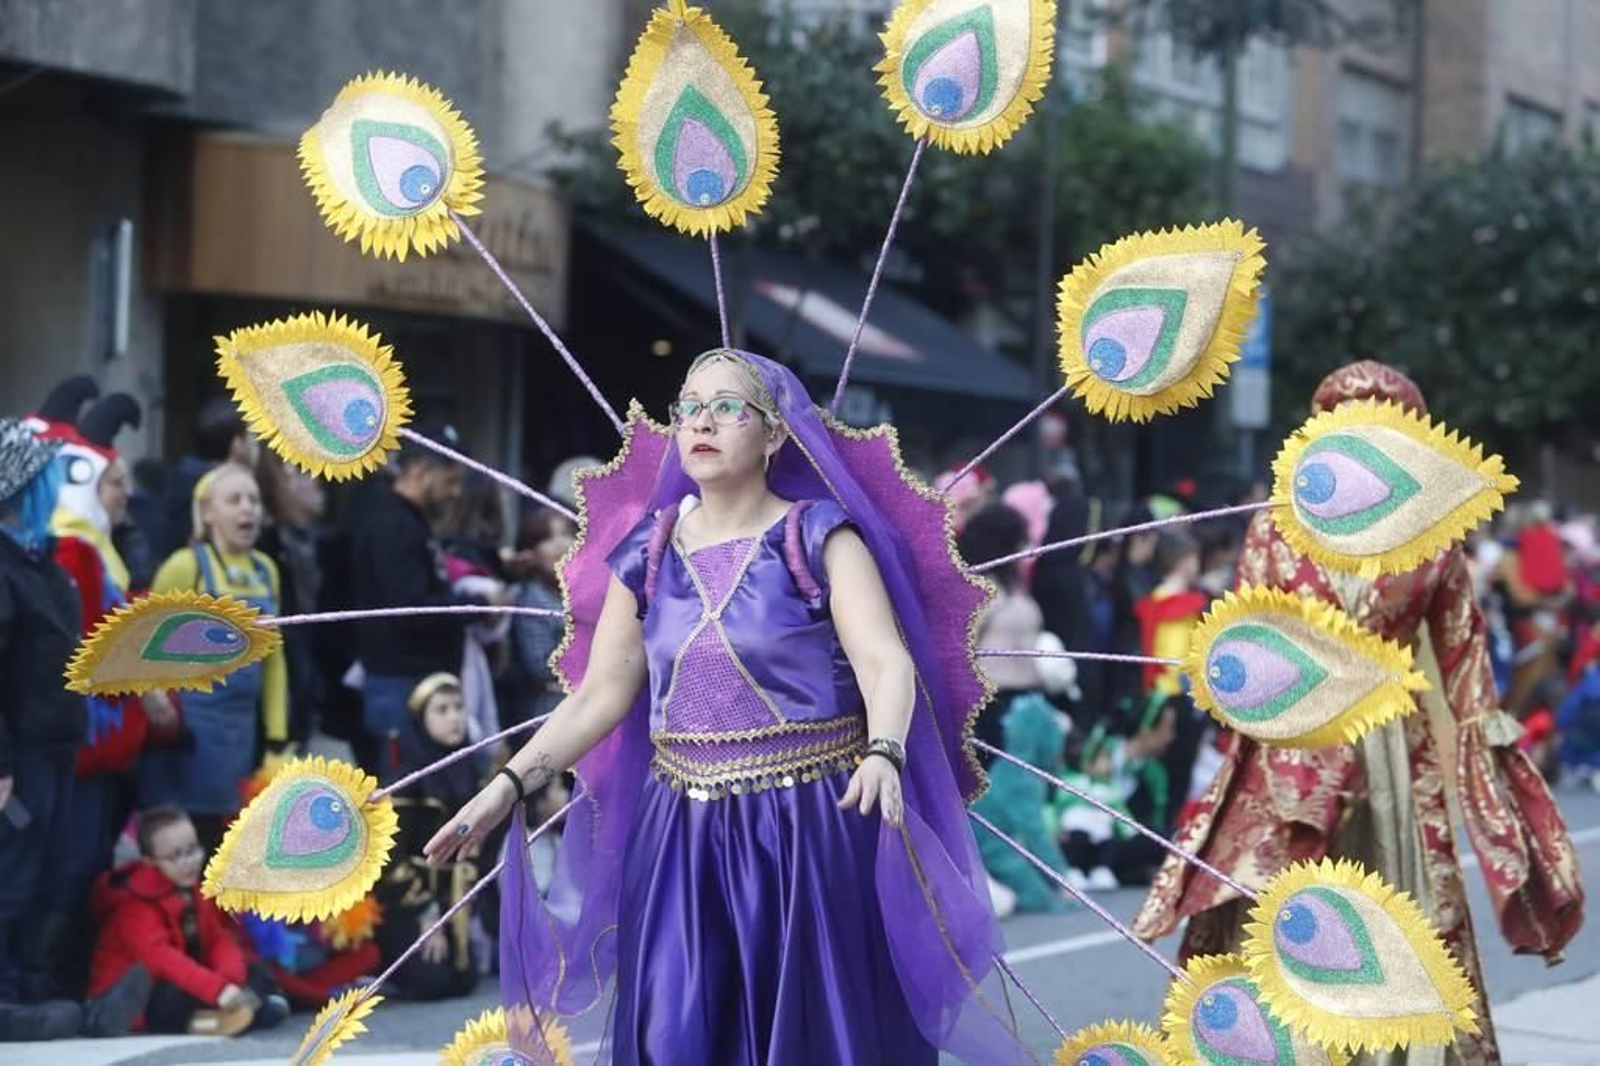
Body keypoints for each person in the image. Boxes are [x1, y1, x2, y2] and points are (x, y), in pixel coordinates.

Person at [426, 350, 1027, 1064]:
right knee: (675, 1031)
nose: (701, 422)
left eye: (727, 407)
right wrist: (505, 785)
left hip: (808, 828)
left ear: (775, 434)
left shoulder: (818, 537)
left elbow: (884, 660)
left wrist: (885, 751)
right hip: (679, 831)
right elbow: (600, 694)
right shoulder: (646, 552)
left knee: (810, 1032)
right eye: (689, 407)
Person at [1134, 361, 1584, 1063]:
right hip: (1358, 753)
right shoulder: (1397, 528)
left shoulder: (1299, 526)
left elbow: (1241, 650)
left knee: (1329, 920)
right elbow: (1466, 679)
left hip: (1333, 750)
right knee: (1348, 917)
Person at [0, 419, 148, 1041]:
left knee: (53, 870)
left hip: (59, 747)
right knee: (16, 874)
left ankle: (36, 990)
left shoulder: (40, 560)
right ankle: (10, 995)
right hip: (21, 756)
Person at [41, 394, 180, 998]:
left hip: (102, 748)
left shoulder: (98, 548)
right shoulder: (73, 551)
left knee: (85, 865)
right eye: (115, 482)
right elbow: (87, 649)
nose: (125, 494)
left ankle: (62, 982)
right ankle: (42, 985)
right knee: (66, 867)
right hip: (79, 744)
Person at [139, 463, 288, 853]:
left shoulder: (266, 570)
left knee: (233, 841)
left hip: (242, 730)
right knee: (192, 838)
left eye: (254, 500)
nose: (248, 510)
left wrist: (276, 735)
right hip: (190, 729)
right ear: (206, 512)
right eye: (235, 500)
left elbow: (274, 659)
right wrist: (155, 702)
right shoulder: (184, 566)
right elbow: (141, 643)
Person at [350, 426, 501, 776]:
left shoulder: (408, 521)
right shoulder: (392, 524)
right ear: (421, 471)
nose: (456, 494)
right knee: (407, 801)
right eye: (451, 481)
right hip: (400, 688)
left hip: (415, 684)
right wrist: (476, 608)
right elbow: (412, 609)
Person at [88, 806, 289, 1036]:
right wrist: (219, 990)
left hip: (191, 980)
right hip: (141, 997)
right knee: (172, 996)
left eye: (193, 850)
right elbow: (164, 961)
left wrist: (229, 978)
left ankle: (236, 1010)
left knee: (254, 968)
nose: (189, 862)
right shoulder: (134, 906)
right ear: (149, 862)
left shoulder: (191, 888)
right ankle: (231, 1014)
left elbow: (217, 938)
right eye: (176, 856)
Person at [374, 675, 485, 1000]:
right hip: (406, 900)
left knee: (463, 980)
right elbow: (388, 861)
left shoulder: (468, 766)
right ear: (421, 718)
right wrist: (425, 914)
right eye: (442, 710)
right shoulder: (404, 775)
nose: (454, 717)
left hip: (451, 900)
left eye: (458, 708)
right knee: (431, 981)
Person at [959, 502, 1048, 761]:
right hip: (992, 707)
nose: (1025, 551)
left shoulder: (1017, 588)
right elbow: (961, 651)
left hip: (1029, 700)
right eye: (1019, 543)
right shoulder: (979, 590)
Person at [157, 396, 260, 559]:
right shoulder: (200, 486)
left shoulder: (186, 478)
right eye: (253, 439)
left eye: (253, 501)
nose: (246, 508)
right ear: (237, 444)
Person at [509, 508, 578, 727]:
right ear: (530, 553)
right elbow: (540, 664)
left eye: (566, 533)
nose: (560, 544)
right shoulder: (531, 599)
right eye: (547, 537)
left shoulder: (592, 591)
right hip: (553, 709)